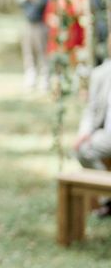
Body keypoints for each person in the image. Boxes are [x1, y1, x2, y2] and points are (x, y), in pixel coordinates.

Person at [72, 35, 111, 216]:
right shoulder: (101, 73)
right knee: (82, 149)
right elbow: (91, 110)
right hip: (107, 136)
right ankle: (107, 198)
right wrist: (84, 132)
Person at [20, 0, 51, 90]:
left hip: (40, 24)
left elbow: (42, 4)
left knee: (42, 52)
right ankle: (30, 76)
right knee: (28, 52)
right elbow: (23, 4)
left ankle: (44, 78)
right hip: (29, 24)